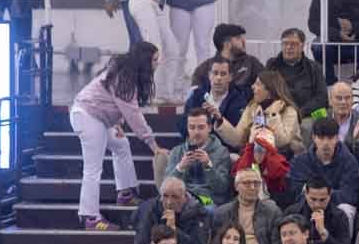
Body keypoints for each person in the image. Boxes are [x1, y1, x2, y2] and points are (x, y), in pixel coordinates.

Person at [70, 41, 165, 229]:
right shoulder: (125, 77)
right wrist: (153, 145)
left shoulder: (127, 73)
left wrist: (116, 122)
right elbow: (134, 114)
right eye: (154, 60)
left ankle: (125, 194)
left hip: (97, 115)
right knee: (93, 169)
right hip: (88, 116)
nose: (157, 63)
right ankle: (90, 216)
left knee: (121, 145)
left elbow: (113, 101)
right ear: (144, 62)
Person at [217, 69, 305, 156]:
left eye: (258, 84)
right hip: (258, 157)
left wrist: (273, 114)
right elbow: (238, 139)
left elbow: (280, 142)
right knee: (232, 157)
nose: (252, 86)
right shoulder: (252, 108)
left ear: (269, 90)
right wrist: (220, 119)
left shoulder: (289, 111)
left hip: (285, 159)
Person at [163, 109, 232, 208]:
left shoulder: (221, 152)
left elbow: (222, 188)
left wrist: (208, 166)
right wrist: (180, 168)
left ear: (209, 128)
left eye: (201, 127)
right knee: (151, 206)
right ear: (187, 128)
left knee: (207, 209)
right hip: (183, 198)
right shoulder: (177, 151)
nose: (196, 132)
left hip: (208, 199)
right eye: (192, 127)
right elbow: (166, 186)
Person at [183, 55, 248, 147]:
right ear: (209, 75)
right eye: (215, 73)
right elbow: (183, 127)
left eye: (223, 74)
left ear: (230, 77)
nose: (218, 78)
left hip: (226, 152)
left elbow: (237, 138)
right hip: (196, 148)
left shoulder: (239, 101)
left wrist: (219, 119)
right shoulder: (196, 96)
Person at [190, 22, 264, 94]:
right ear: (227, 44)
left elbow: (267, 86)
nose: (244, 41)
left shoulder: (251, 62)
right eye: (238, 38)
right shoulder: (204, 69)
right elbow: (195, 96)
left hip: (245, 106)